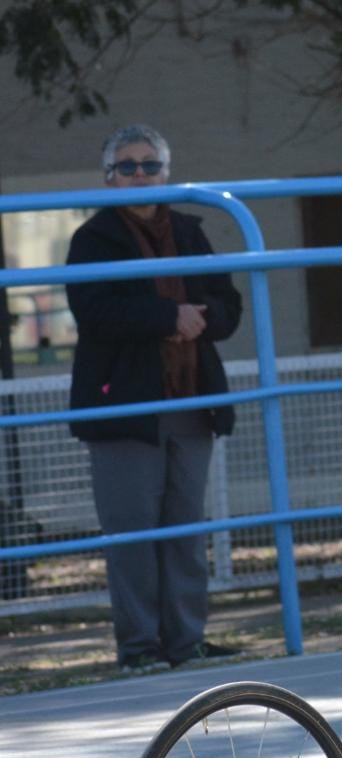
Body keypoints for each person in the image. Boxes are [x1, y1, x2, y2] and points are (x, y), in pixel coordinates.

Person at [65, 124, 242, 673]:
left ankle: (185, 644)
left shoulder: (191, 229)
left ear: (166, 174)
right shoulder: (92, 238)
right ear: (108, 177)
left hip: (192, 403)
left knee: (186, 531)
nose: (140, 175)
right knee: (134, 535)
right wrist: (169, 317)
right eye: (128, 166)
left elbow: (229, 304)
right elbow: (93, 310)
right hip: (126, 409)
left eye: (150, 166)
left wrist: (199, 319)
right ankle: (140, 649)